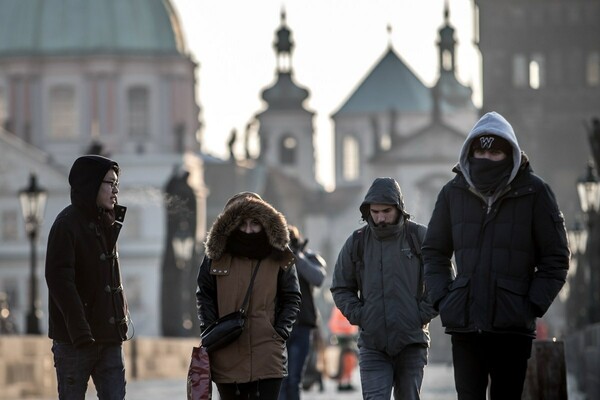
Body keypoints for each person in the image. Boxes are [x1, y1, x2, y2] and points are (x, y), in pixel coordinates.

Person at [422, 111, 570, 400]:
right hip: (465, 326)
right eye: (481, 150)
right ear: (471, 151)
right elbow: (434, 252)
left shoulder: (536, 192)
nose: (486, 157)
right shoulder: (452, 193)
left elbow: (556, 258)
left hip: (512, 327)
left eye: (494, 152)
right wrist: (445, 297)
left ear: (509, 153)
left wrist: (530, 304)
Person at [330, 177, 438, 400]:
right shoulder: (357, 242)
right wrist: (362, 315)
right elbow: (341, 286)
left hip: (412, 343)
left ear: (399, 208)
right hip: (373, 344)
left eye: (386, 211)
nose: (380, 218)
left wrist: (420, 315)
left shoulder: (419, 237)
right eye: (375, 212)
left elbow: (442, 280)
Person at [196, 192, 301, 400]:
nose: (248, 230)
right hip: (226, 353)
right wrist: (211, 329)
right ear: (230, 224)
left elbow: (292, 297)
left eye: (255, 223)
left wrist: (280, 331)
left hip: (268, 353)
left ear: (265, 222)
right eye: (242, 223)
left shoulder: (279, 254)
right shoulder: (215, 257)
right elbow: (204, 294)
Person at [45, 155, 130, 400]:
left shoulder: (108, 223)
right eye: (110, 183)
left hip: (110, 338)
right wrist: (80, 330)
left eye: (117, 184)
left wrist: (120, 319)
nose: (115, 191)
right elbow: (59, 279)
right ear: (92, 184)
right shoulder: (66, 224)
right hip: (75, 341)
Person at [279, 224, 326, 400]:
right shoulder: (275, 259)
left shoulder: (308, 257)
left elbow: (318, 278)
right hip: (280, 327)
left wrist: (296, 258)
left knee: (293, 379)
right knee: (281, 380)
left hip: (302, 327)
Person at [327, 306, 358, 392]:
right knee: (341, 360)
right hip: (341, 337)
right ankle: (341, 380)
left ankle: (346, 381)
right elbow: (334, 323)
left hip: (347, 336)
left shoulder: (339, 308)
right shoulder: (339, 309)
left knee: (349, 360)